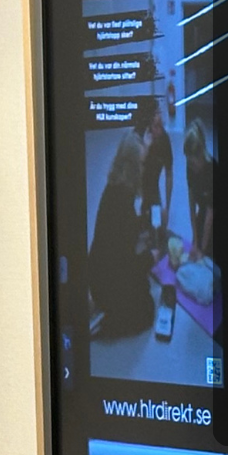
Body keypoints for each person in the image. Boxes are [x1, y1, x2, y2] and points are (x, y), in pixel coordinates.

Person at [89, 131, 155, 337]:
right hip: (106, 282)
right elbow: (125, 261)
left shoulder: (114, 188)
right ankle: (105, 322)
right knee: (147, 310)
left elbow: (120, 234)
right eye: (142, 164)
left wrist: (140, 226)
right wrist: (150, 258)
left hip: (98, 271)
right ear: (133, 168)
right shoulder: (122, 202)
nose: (145, 168)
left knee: (143, 284)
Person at [138, 96, 173, 247]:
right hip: (138, 180)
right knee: (142, 231)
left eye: (161, 125)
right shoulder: (141, 138)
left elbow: (169, 175)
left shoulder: (165, 141)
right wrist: (146, 148)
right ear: (149, 126)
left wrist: (167, 208)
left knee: (158, 227)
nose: (160, 129)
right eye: (156, 126)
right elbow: (135, 172)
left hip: (152, 184)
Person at [183, 118, 215, 262]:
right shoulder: (189, 168)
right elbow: (191, 205)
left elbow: (210, 214)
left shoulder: (212, 170)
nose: (191, 167)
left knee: (207, 260)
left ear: (201, 154)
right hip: (202, 214)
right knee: (194, 254)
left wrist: (202, 248)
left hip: (213, 217)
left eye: (193, 163)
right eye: (188, 162)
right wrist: (195, 241)